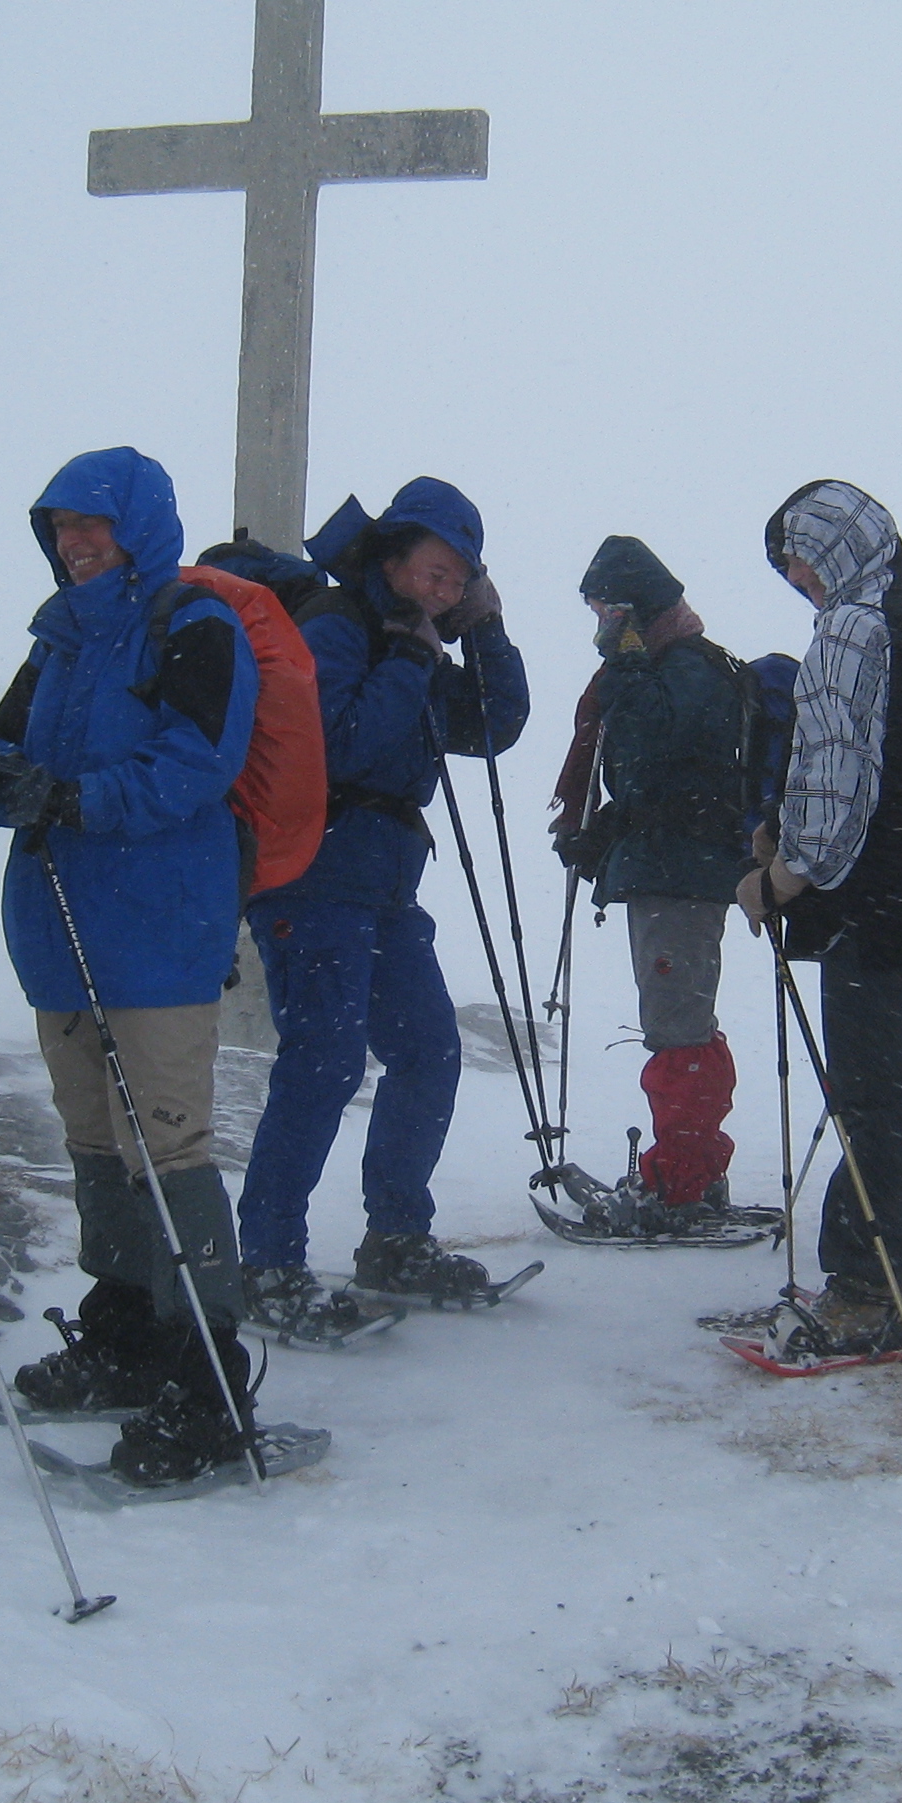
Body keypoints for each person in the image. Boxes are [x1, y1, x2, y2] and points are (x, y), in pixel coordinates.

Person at [0, 447, 268, 1489]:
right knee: (94, 1140)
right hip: (59, 927)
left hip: (159, 928)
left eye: (94, 525)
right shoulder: (59, 640)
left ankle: (209, 1384)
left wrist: (74, 800)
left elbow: (195, 763)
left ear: (140, 527)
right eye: (61, 527)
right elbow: (10, 752)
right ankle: (124, 1331)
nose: (76, 543)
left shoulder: (193, 626)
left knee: (166, 1145)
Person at [234, 478, 529, 1311]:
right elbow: (342, 744)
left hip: (385, 886)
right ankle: (265, 1261)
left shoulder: (423, 638)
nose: (441, 590)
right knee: (322, 1064)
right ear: (393, 556)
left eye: (457, 579)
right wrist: (406, 657)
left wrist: (487, 631)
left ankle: (396, 1239)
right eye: (432, 571)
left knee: (429, 1052)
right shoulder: (336, 624)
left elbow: (496, 724)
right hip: (314, 873)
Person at [739, 480, 902, 1346]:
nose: (798, 577)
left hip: (868, 898)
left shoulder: (850, 630)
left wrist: (785, 875)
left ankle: (863, 1286)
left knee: (878, 1093)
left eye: (801, 554)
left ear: (841, 545)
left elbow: (837, 774)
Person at [548, 536, 755, 1222]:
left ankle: (683, 1182)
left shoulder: (690, 667)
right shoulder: (673, 665)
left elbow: (655, 747)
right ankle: (687, 1169)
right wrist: (605, 834)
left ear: (635, 610)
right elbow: (652, 778)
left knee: (678, 1022)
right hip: (673, 870)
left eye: (607, 609)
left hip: (684, 875)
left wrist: (628, 668)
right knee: (677, 1018)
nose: (601, 625)